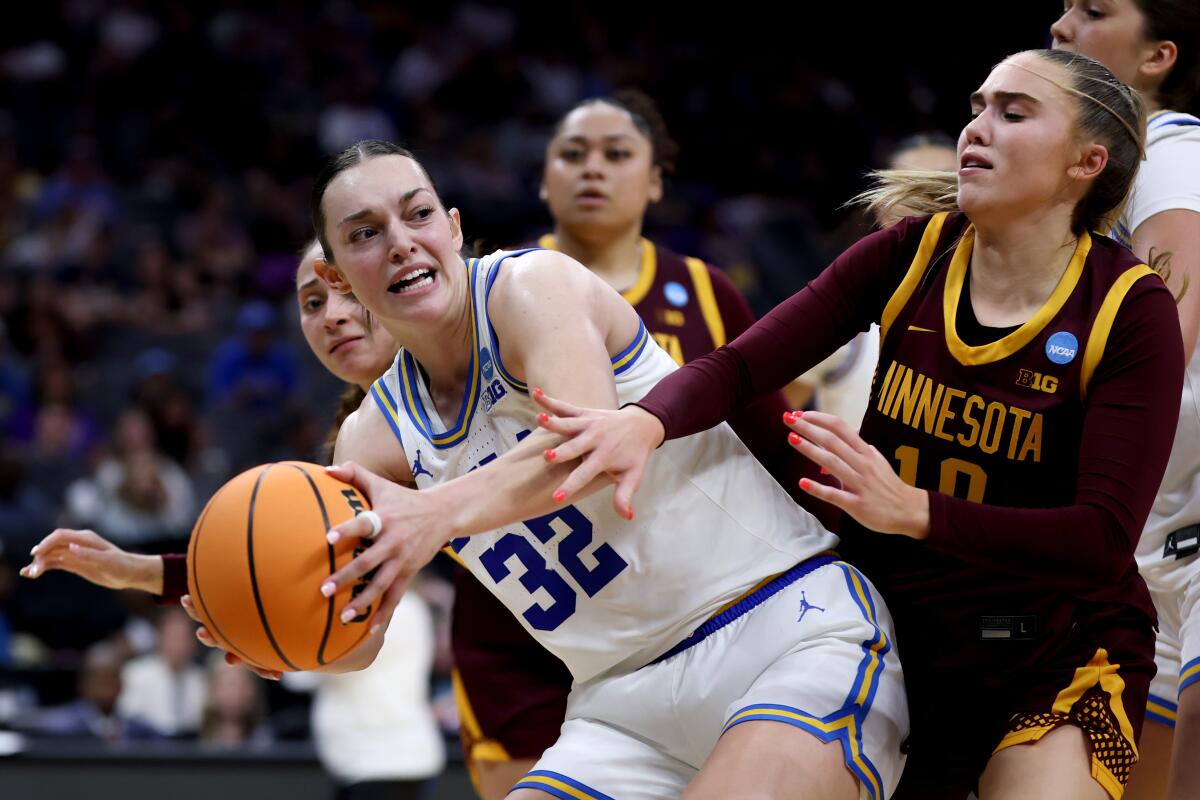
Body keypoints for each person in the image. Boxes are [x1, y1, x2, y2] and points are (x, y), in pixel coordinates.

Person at [525, 49, 1184, 799]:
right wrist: (645, 422)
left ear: (1086, 162)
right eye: (977, 107)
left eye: (1013, 113)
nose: (977, 128)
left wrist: (915, 510)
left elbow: (1103, 539)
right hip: (900, 632)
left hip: (1056, 644)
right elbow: (740, 367)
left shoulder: (1129, 307)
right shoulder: (912, 252)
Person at [308, 140, 907, 800]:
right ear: (337, 277)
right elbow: (362, 635)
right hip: (619, 706)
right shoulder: (370, 440)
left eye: (417, 214)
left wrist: (432, 511)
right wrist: (283, 631)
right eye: (365, 233)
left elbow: (583, 452)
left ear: (451, 228)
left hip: (780, 626)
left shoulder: (528, 286)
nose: (401, 242)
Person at [451, 90, 799, 799]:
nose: (593, 169)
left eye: (616, 154)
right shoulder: (484, 294)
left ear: (655, 181)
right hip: (529, 624)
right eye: (572, 154)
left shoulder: (704, 291)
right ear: (543, 179)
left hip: (698, 612)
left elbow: (775, 447)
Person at [22, 242, 445, 796]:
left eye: (347, 291)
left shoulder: (479, 361)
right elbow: (334, 610)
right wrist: (144, 573)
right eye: (312, 302)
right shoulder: (359, 448)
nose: (332, 315)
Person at [1051, 4, 1200, 799]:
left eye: (1093, 9)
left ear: (1157, 57)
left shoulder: (1172, 150)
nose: (1061, 24)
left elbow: (1169, 334)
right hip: (1153, 542)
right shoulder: (1100, 182)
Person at [793, 133, 959, 430]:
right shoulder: (843, 310)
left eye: (944, 187)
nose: (932, 204)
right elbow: (764, 421)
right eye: (914, 188)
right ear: (883, 208)